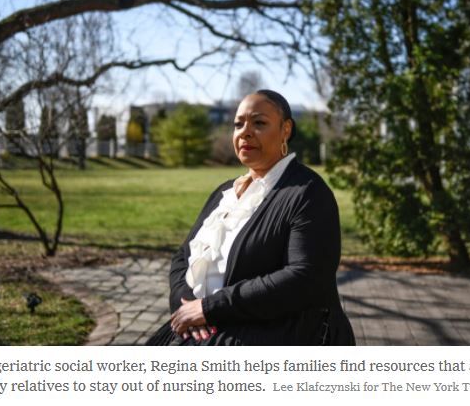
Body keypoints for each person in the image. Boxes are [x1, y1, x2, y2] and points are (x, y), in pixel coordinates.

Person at [145, 90, 355, 345]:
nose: (245, 132)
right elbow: (183, 256)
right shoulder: (224, 193)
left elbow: (305, 277)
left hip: (274, 335)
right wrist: (186, 305)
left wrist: (210, 308)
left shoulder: (308, 193)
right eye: (238, 124)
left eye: (259, 123)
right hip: (198, 327)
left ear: (285, 130)